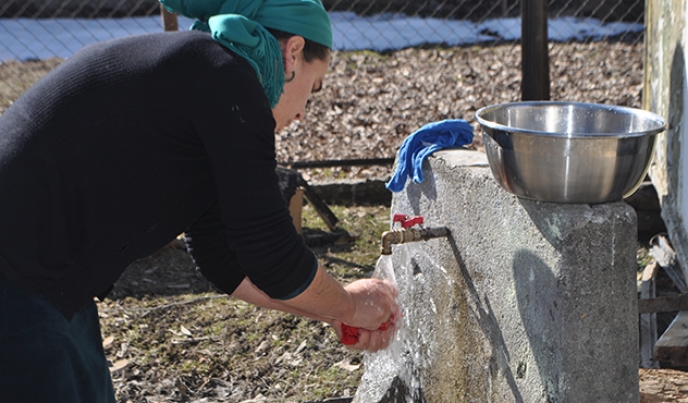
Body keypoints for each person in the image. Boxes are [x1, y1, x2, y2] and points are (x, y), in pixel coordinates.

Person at [0, 0, 399, 401]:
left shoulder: (205, 77)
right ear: (293, 52)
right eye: (313, 88)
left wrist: (332, 309)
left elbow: (220, 258)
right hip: (19, 272)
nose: (301, 115)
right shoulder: (227, 77)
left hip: (50, 279)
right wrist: (348, 305)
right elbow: (269, 249)